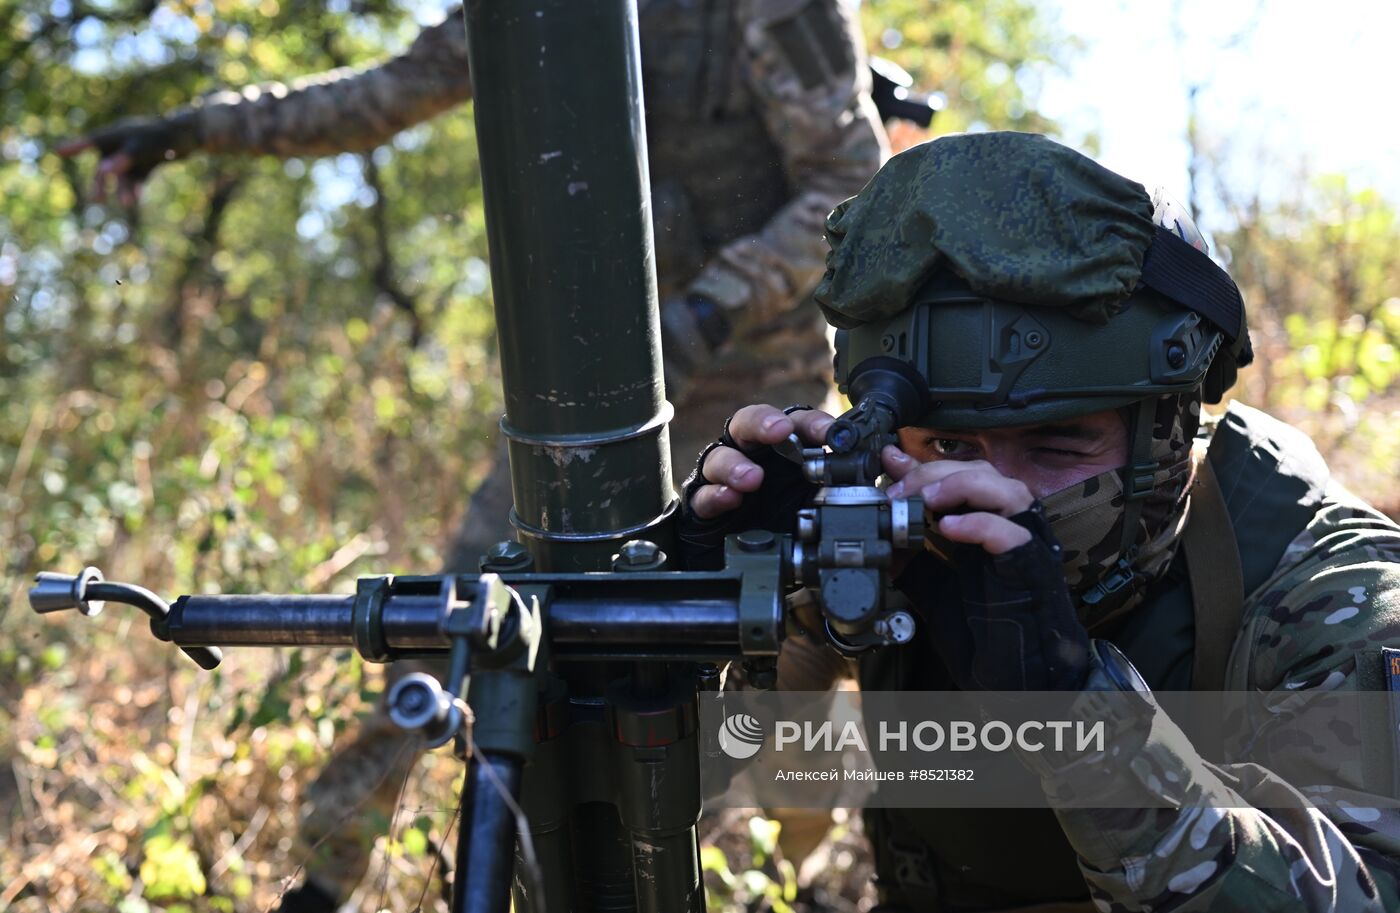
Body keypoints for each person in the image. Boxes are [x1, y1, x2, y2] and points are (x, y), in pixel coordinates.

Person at [59, 3, 888, 908]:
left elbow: (848, 186)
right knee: (454, 623)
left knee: (787, 656)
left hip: (750, 400)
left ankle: (790, 872)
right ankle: (326, 879)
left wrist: (705, 311)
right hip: (583, 410)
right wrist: (183, 131)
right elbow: (375, 98)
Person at [679, 131, 1400, 911]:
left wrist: (1077, 711)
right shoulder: (890, 525)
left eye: (1056, 442)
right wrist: (702, 611)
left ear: (1167, 427)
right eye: (950, 444)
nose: (995, 488)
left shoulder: (1331, 593)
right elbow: (709, 768)